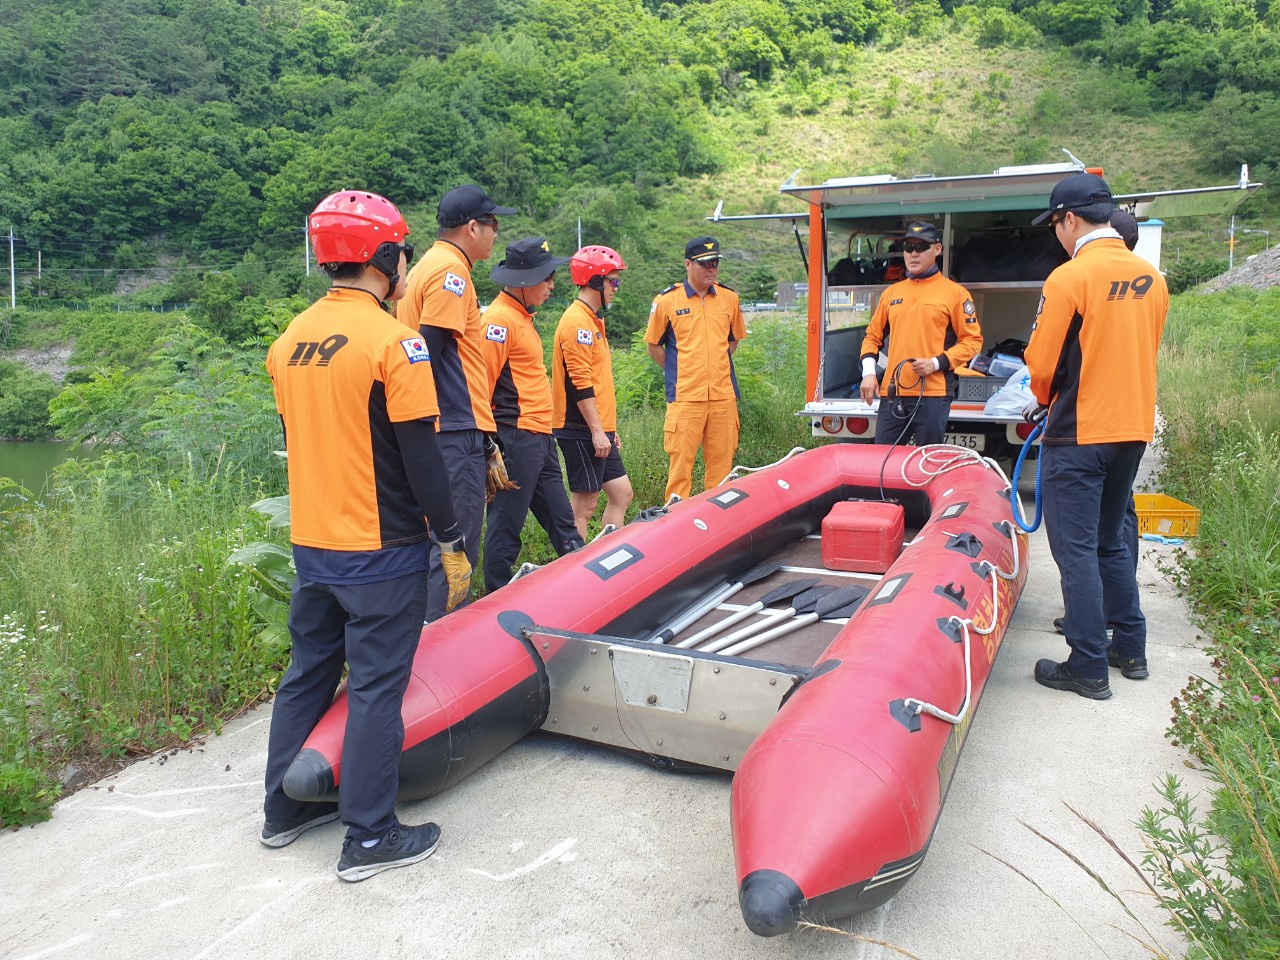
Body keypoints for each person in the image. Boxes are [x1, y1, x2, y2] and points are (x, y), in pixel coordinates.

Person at [261, 190, 472, 881]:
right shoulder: (395, 343)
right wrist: (450, 538)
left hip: (313, 544)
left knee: (307, 675)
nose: (405, 262)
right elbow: (421, 456)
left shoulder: (289, 343)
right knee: (378, 687)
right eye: (402, 251)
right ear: (384, 257)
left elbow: (303, 438)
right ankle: (371, 838)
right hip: (380, 549)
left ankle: (282, 812)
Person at [1025, 173, 1169, 699]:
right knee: (1111, 543)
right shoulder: (1151, 278)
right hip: (1132, 429)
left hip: (1080, 432)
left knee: (1076, 552)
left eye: (1055, 225)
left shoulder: (1070, 278)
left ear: (1069, 219)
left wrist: (1043, 398)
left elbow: (1042, 363)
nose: (1056, 234)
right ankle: (1129, 648)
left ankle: (1086, 665)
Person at [397, 184, 518, 621]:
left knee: (434, 542)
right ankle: (446, 641)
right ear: (472, 227)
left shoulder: (424, 267)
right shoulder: (452, 272)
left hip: (438, 425)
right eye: (493, 224)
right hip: (452, 426)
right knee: (454, 546)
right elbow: (426, 354)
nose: (496, 233)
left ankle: (424, 636)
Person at [480, 237, 585, 591]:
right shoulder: (498, 321)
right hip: (515, 438)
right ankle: (495, 601)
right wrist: (488, 445)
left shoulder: (522, 317)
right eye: (547, 278)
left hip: (540, 437)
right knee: (506, 526)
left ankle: (585, 590)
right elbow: (480, 385)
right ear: (525, 280)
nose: (552, 285)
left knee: (563, 522)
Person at [858, 221, 984, 445]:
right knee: (883, 460)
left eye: (922, 246)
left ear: (937, 249)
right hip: (894, 394)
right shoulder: (891, 294)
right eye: (908, 247)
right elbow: (872, 337)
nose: (914, 253)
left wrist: (936, 363)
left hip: (933, 394)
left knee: (927, 460)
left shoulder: (955, 293)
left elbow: (972, 341)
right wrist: (868, 373)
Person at [645, 236, 748, 502]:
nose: (711, 269)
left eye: (715, 263)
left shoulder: (729, 298)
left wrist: (714, 365)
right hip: (686, 398)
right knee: (680, 470)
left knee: (722, 471)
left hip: (723, 397)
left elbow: (733, 340)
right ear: (688, 264)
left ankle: (719, 521)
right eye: (705, 264)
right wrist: (680, 370)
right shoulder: (667, 301)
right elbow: (653, 347)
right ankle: (677, 519)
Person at [552, 245, 634, 540]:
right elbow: (580, 382)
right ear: (595, 281)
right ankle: (577, 562)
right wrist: (598, 430)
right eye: (613, 281)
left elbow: (597, 380)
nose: (616, 288)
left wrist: (608, 427)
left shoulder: (593, 319)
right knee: (584, 506)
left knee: (622, 493)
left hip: (597, 427)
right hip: (579, 428)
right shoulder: (577, 323)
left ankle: (611, 554)